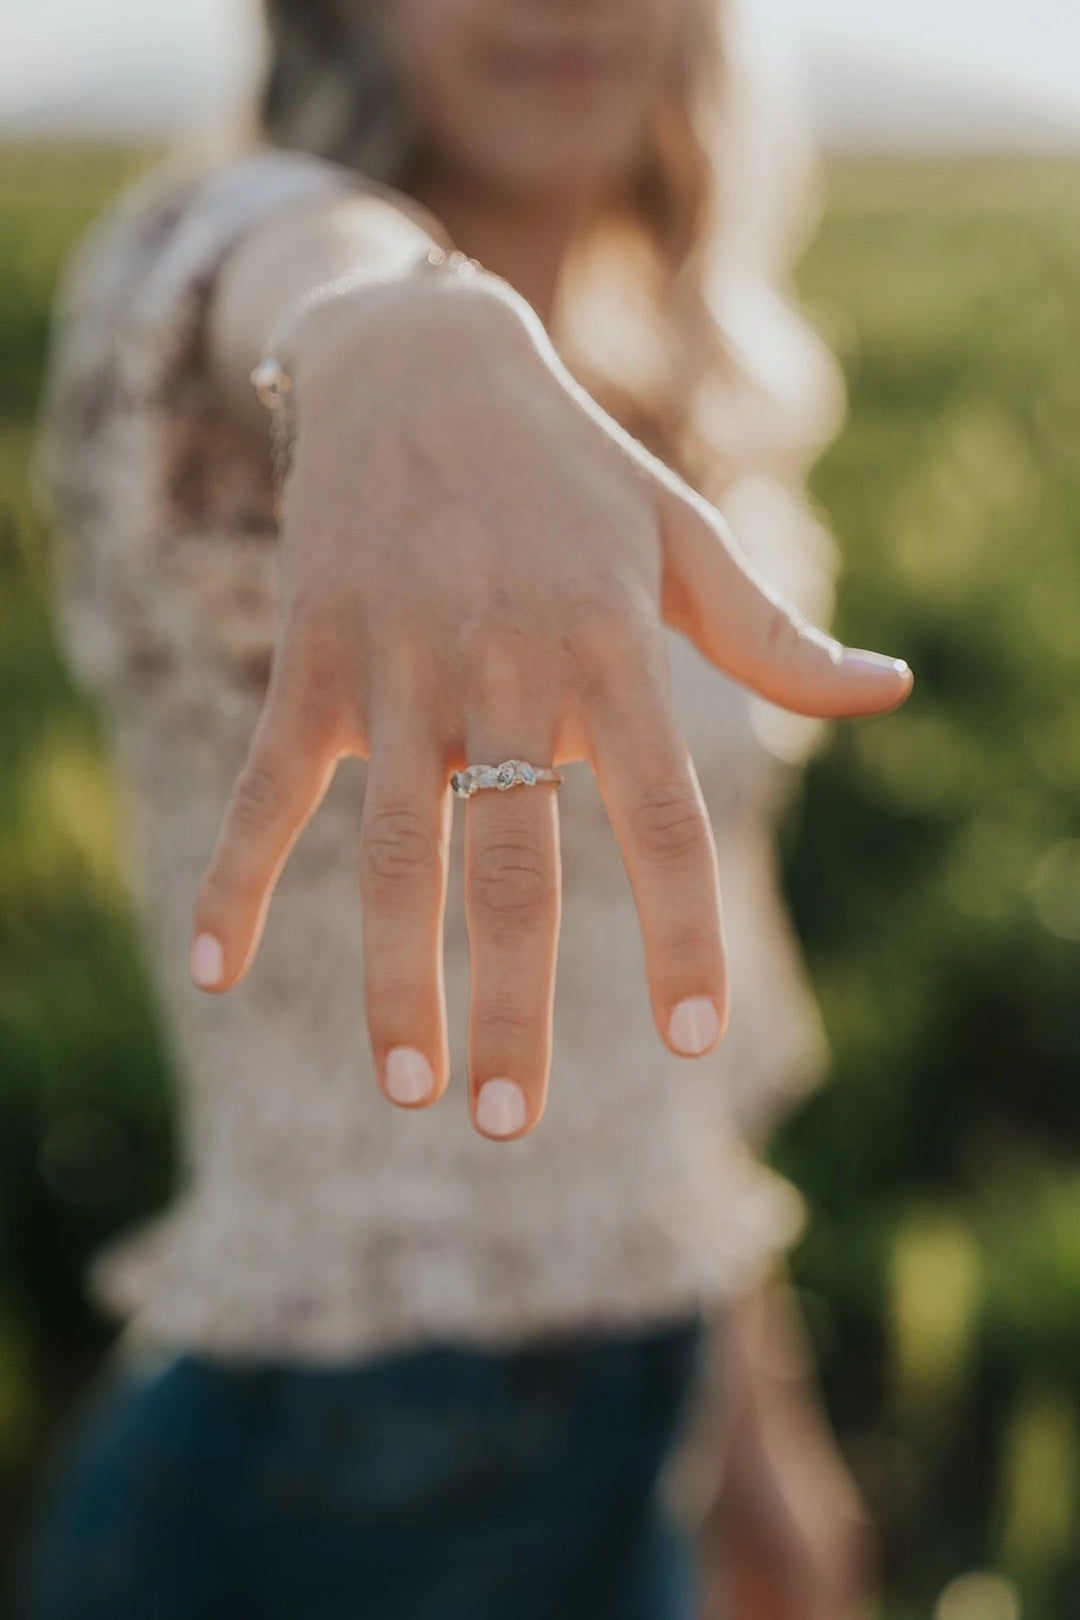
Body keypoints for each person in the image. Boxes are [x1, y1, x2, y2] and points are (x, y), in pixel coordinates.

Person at [20, 2, 911, 1616]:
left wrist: (762, 1438)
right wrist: (397, 326)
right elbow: (232, 260)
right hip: (318, 1480)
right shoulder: (248, 393)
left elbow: (667, 1043)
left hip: (641, 1445)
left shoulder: (680, 411)